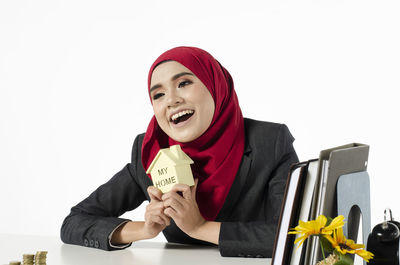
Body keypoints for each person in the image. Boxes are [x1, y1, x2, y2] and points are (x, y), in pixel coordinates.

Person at [60, 46, 299, 258]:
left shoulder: (270, 142)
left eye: (184, 83)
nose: (171, 100)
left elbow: (293, 235)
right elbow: (74, 222)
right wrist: (144, 229)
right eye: (159, 94)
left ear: (215, 85)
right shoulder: (151, 151)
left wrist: (199, 227)